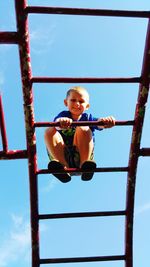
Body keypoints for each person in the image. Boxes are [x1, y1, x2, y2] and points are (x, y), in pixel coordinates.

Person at [44, 86, 115, 183]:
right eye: (73, 100)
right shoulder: (63, 115)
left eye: (81, 101)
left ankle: (85, 166)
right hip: (62, 155)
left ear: (87, 106)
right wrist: (60, 123)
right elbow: (56, 125)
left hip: (81, 156)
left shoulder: (87, 117)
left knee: (84, 127)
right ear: (66, 102)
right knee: (49, 130)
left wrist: (105, 122)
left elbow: (98, 124)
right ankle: (63, 169)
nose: (77, 104)